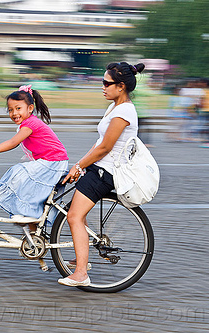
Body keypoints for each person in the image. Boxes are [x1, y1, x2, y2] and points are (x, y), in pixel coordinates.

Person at [58, 62, 145, 287]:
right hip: (98, 168)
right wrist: (81, 165)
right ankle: (82, 260)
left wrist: (79, 166)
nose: (103, 87)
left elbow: (105, 148)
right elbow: (98, 144)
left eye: (107, 83)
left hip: (106, 172)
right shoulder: (116, 107)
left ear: (122, 86)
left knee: (73, 216)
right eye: (102, 82)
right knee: (78, 214)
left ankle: (80, 274)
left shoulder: (124, 111)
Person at [0, 85, 68, 222]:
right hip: (51, 161)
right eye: (10, 110)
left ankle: (24, 212)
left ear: (30, 108)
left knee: (18, 173)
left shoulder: (31, 124)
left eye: (18, 108)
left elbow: (12, 143)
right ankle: (32, 233)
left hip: (53, 163)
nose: (14, 113)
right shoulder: (28, 123)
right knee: (27, 186)